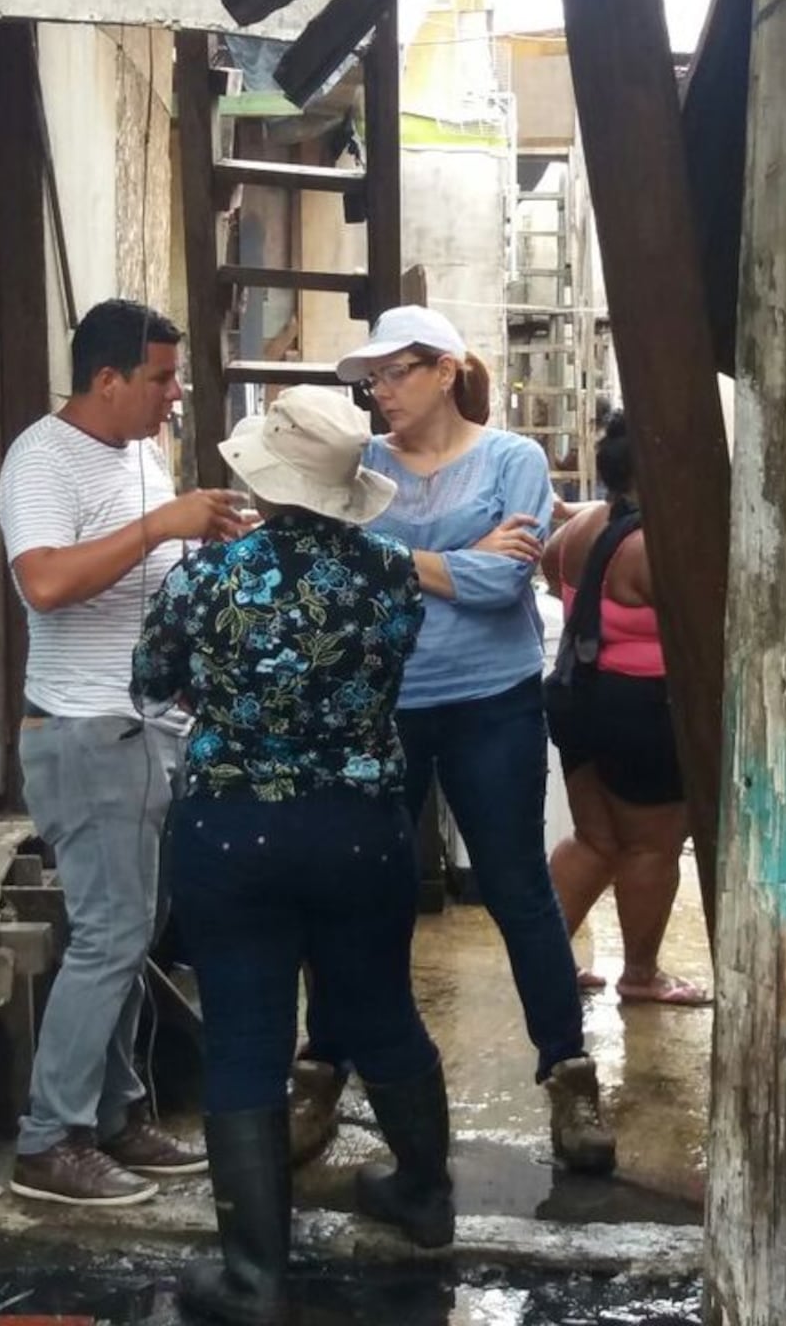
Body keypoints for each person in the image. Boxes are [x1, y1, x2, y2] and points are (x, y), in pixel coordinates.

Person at [132, 386, 451, 1326]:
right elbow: (388, 668)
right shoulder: (393, 574)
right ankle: (424, 1196)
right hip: (361, 827)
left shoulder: (207, 578)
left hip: (233, 829)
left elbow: (151, 679)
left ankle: (254, 1280)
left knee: (245, 1035)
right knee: (381, 1005)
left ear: (263, 480)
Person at [293, 305, 615, 1176]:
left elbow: (502, 579)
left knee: (517, 889)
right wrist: (452, 554)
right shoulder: (358, 463)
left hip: (491, 701)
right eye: (371, 380)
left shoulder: (512, 457)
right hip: (381, 703)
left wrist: (393, 556)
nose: (380, 392)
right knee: (362, 891)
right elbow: (336, 572)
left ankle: (569, 1072)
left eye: (394, 373)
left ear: (442, 370)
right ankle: (322, 1064)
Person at [0, 298, 245, 1208]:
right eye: (161, 379)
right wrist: (156, 528)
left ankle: (113, 1115)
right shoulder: (41, 459)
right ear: (108, 380)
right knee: (108, 936)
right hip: (86, 729)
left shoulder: (139, 448)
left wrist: (205, 538)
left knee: (131, 933)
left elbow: (153, 572)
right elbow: (48, 583)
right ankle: (48, 1139)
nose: (174, 396)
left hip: (150, 727)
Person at [542, 410, 710, 1006]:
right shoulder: (655, 546)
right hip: (640, 714)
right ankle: (640, 975)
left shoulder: (584, 525)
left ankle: (545, 964)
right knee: (651, 847)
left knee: (595, 840)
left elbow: (549, 562)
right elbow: (708, 619)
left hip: (578, 701)